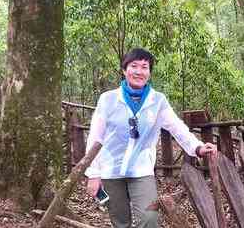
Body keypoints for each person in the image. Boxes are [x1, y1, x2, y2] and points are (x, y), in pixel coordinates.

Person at [85, 47, 217, 228]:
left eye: (144, 67)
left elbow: (177, 127)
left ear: (149, 72)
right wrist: (93, 173)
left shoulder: (158, 101)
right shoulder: (108, 99)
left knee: (149, 219)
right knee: (120, 222)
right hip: (110, 169)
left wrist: (198, 147)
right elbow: (95, 136)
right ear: (124, 70)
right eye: (134, 66)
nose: (139, 71)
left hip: (141, 169)